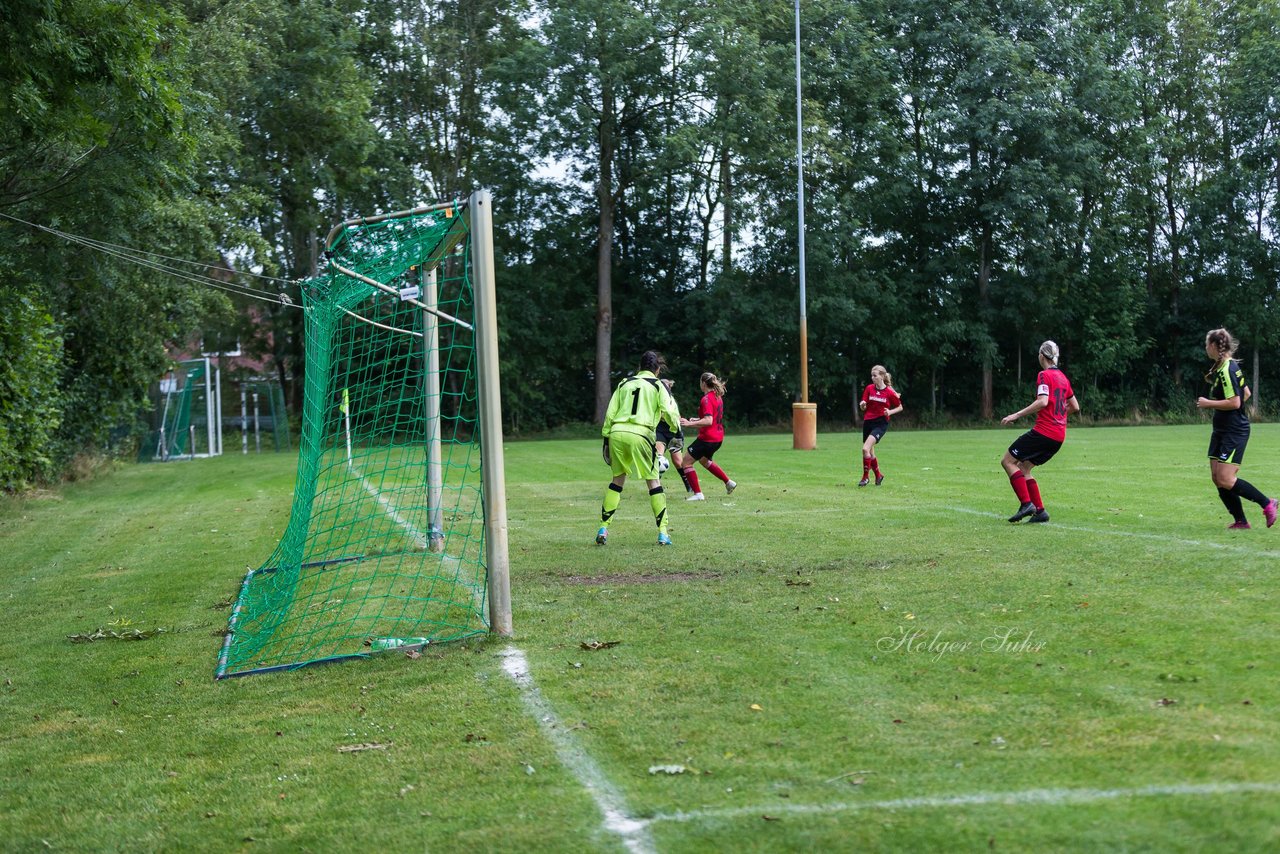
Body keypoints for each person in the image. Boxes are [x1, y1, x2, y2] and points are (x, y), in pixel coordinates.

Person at [597, 350, 682, 546]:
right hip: (641, 433)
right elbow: (669, 411)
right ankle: (663, 532)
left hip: (617, 432)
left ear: (639, 367)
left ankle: (603, 527)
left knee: (617, 482)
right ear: (657, 370)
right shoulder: (658, 385)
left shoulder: (624, 383)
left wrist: (606, 438)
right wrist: (674, 429)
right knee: (654, 482)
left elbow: (610, 413)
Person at [1195, 328, 1278, 530]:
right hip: (1222, 430)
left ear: (1214, 346)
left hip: (1234, 431)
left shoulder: (1227, 369)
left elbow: (1235, 402)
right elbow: (1246, 393)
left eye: (1207, 344)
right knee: (1217, 478)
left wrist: (1209, 404)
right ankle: (1241, 521)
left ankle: (1268, 503)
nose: (1206, 348)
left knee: (1225, 478)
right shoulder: (1224, 366)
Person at [1000, 340, 1080, 523]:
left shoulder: (1044, 375)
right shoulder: (1063, 378)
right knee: (1024, 467)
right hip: (1058, 436)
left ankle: (1026, 504)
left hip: (1044, 432)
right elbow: (1075, 406)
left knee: (1007, 461)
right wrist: (1059, 416)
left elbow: (1043, 401)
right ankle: (1040, 512)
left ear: (1042, 356)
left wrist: (1016, 415)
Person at [679, 372, 736, 501]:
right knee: (704, 461)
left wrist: (690, 423)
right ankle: (728, 482)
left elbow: (709, 420)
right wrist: (697, 420)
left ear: (703, 383)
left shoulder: (706, 399)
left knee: (686, 463)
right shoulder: (717, 396)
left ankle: (698, 494)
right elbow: (711, 418)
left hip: (707, 439)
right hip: (718, 438)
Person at [857, 365, 903, 486]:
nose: (872, 378)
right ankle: (878, 476)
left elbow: (900, 407)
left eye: (875, 375)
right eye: (872, 375)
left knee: (865, 449)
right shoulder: (869, 388)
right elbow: (864, 406)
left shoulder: (889, 392)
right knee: (870, 453)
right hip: (868, 422)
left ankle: (865, 478)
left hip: (880, 423)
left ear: (882, 376)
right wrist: (862, 405)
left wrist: (889, 412)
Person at [654, 379, 694, 493]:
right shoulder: (655, 399)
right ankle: (656, 486)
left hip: (674, 431)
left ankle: (688, 484)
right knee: (658, 457)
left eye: (666, 387)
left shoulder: (671, 401)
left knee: (677, 461)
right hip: (660, 430)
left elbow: (676, 416)